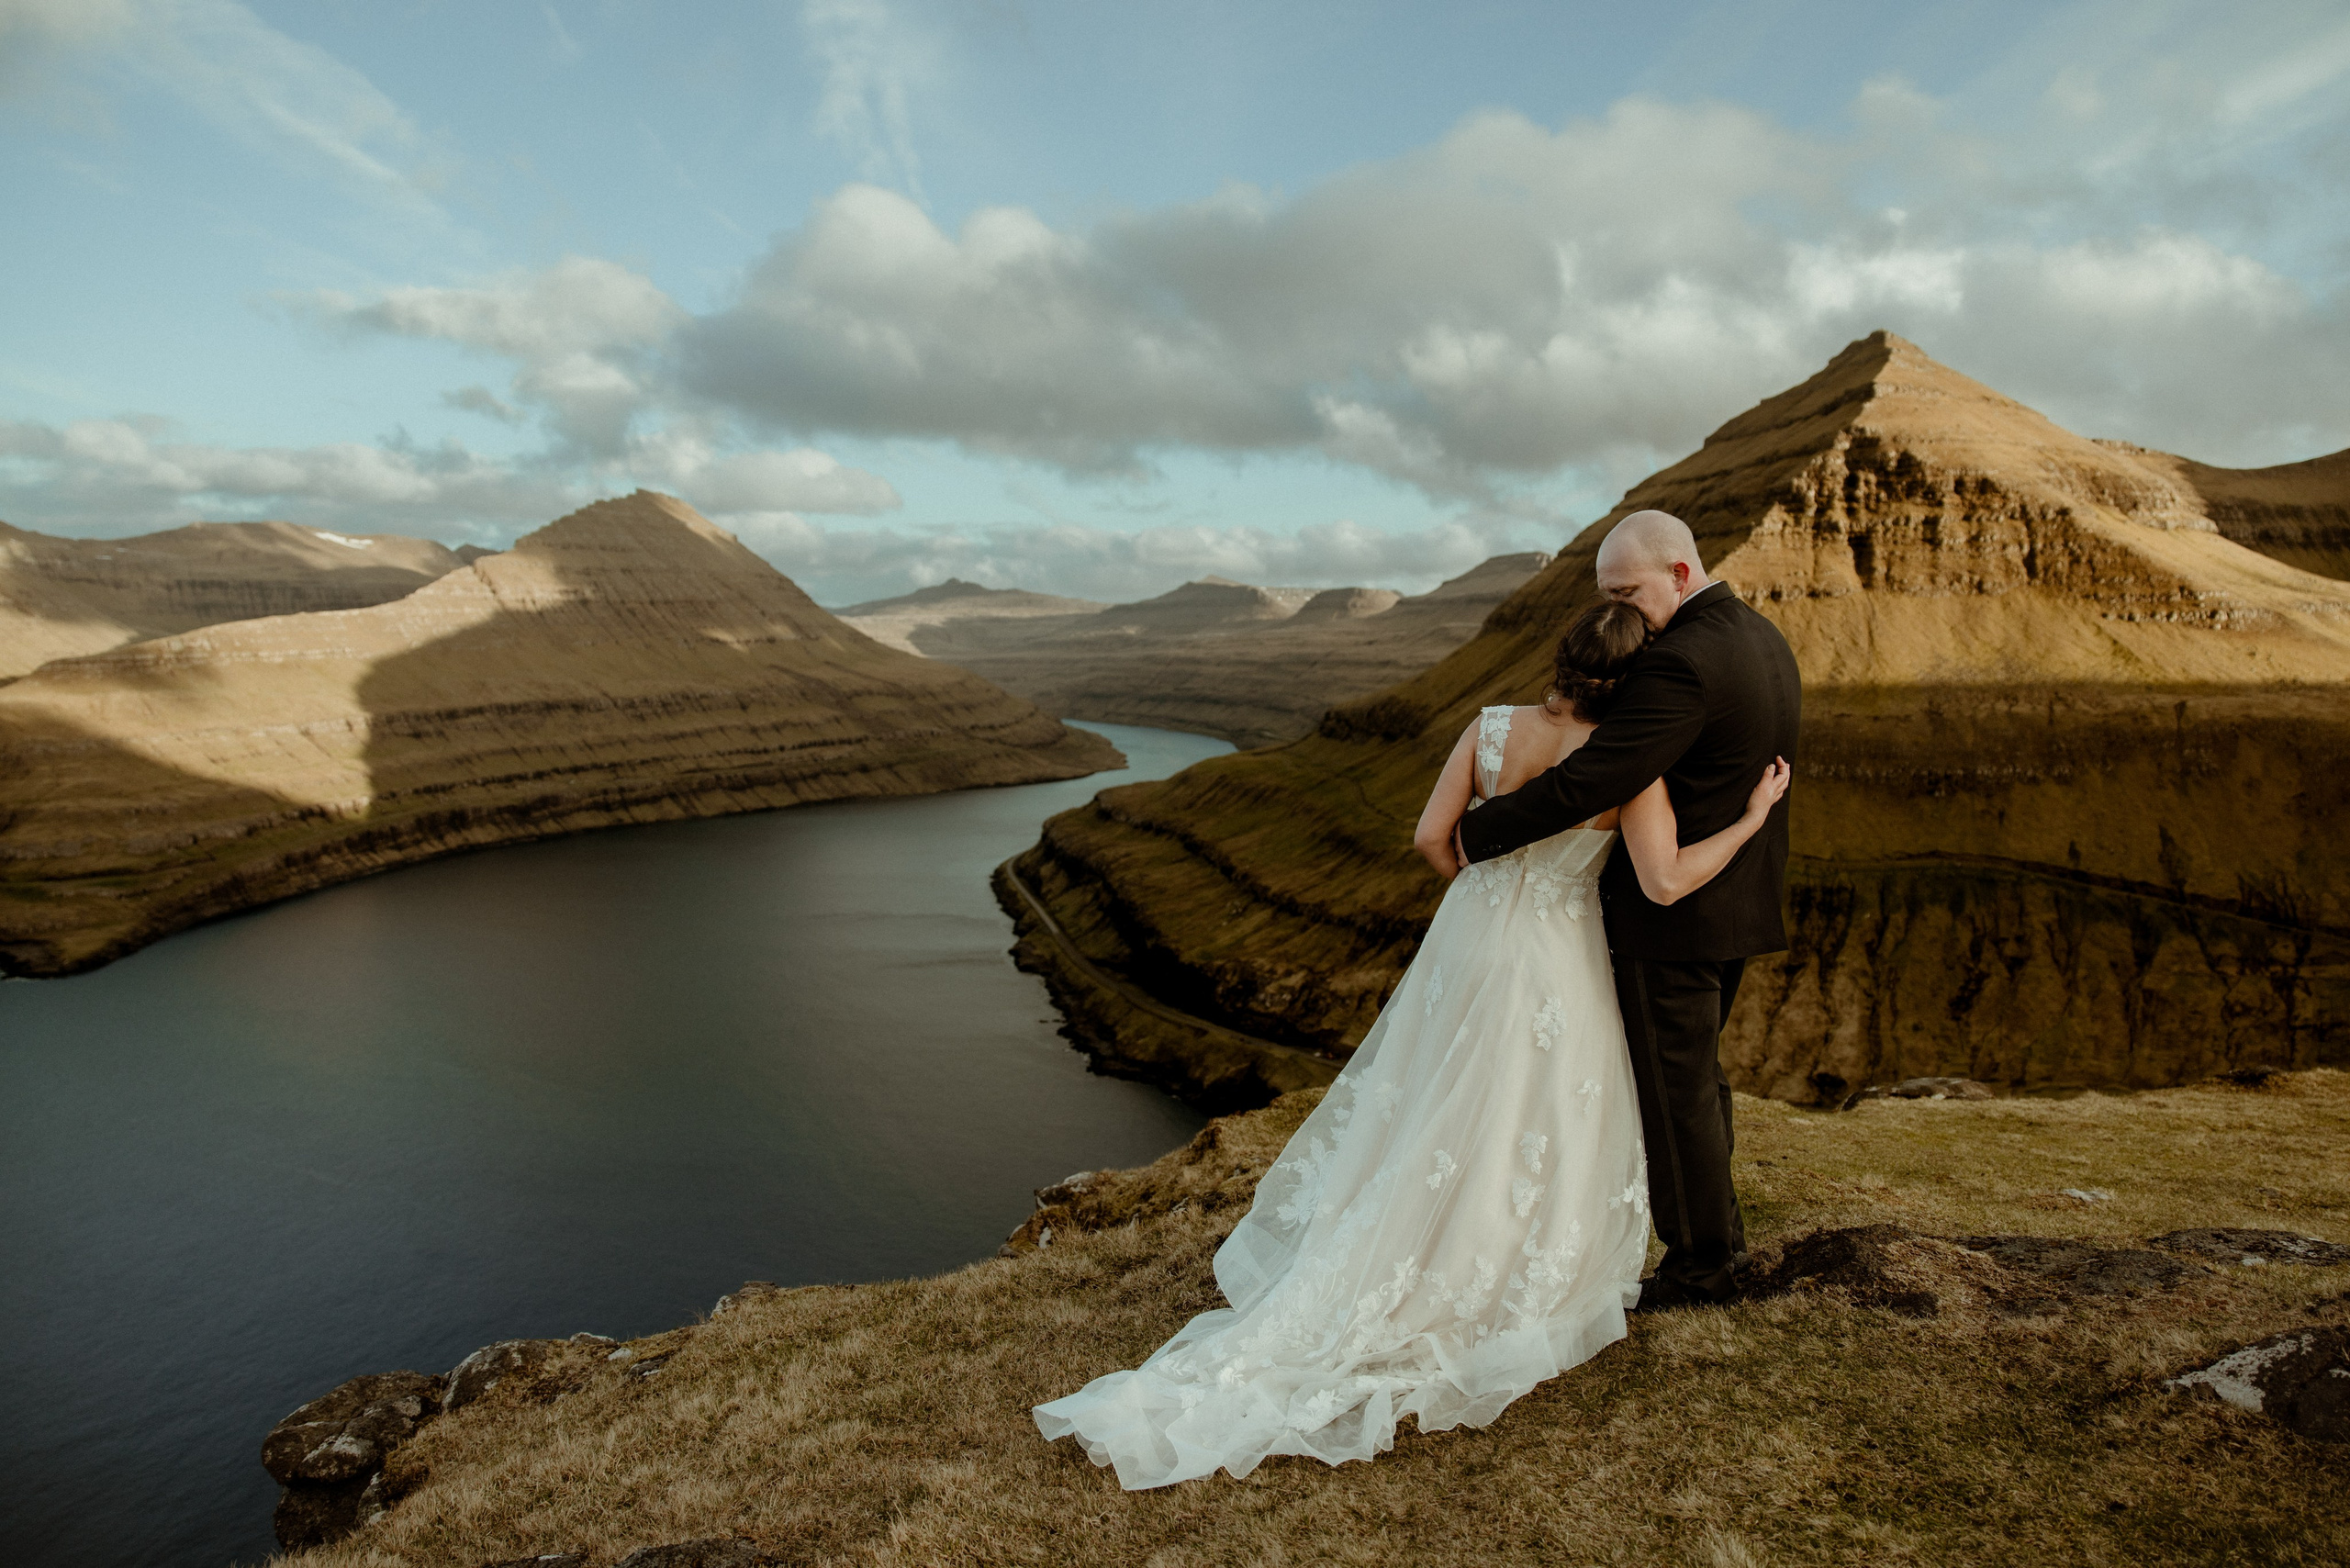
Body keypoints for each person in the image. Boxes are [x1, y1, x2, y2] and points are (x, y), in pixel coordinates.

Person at [1032, 590, 1791, 1489]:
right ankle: (1490, 1266)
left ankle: (1400, 1247)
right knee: (1526, 1109)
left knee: (1440, 1094)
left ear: (1560, 657)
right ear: (1635, 679)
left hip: (1467, 941)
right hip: (1557, 953)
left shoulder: (1490, 727)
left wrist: (1484, 891)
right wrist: (1751, 818)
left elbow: (1437, 841)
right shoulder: (1632, 764)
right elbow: (1663, 883)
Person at [1457, 509, 1801, 1310]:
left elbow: (1594, 778)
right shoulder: (1763, 637)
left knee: (1675, 1096)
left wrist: (1480, 833)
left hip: (1671, 917)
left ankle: (1701, 1271)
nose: (1618, 608)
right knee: (1701, 1085)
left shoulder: (1680, 662)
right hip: (1735, 906)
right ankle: (1724, 1240)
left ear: (1679, 574)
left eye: (1627, 590)